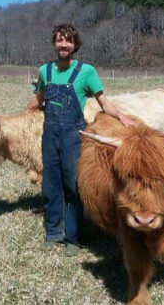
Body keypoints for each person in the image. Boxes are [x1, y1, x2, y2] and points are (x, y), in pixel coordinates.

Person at [26, 23, 134, 256]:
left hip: (73, 137)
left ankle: (74, 238)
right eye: (59, 40)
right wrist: (20, 115)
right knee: (50, 185)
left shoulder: (86, 72)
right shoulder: (45, 71)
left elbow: (104, 102)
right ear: (54, 43)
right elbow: (39, 98)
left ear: (75, 45)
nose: (63, 45)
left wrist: (122, 117)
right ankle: (53, 232)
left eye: (68, 41)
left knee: (74, 185)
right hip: (50, 137)